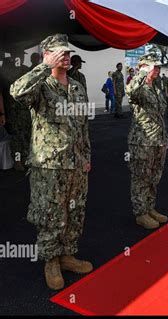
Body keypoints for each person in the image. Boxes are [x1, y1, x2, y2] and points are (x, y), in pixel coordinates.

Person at [10, 34, 92, 290]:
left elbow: (83, 125)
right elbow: (16, 92)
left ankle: (67, 255)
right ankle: (51, 261)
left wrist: (87, 156)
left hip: (76, 163)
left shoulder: (77, 86)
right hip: (49, 166)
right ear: (47, 54)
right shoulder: (41, 85)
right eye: (60, 53)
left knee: (75, 212)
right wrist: (45, 66)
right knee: (50, 215)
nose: (66, 56)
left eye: (68, 53)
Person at [126, 52, 168, 230]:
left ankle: (150, 207)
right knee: (141, 177)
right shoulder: (138, 87)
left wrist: (164, 139)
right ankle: (140, 213)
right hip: (142, 140)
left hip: (158, 139)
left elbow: (160, 114)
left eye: (158, 66)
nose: (157, 69)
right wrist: (142, 73)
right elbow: (130, 91)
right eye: (155, 66)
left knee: (154, 177)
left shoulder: (156, 88)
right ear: (145, 67)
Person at [2, 49, 31, 171]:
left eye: (22, 56)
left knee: (26, 135)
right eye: (19, 55)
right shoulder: (6, 70)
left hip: (24, 109)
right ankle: (18, 161)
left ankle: (24, 159)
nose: (22, 58)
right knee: (16, 136)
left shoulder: (25, 69)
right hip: (12, 110)